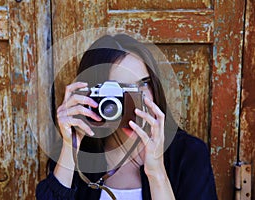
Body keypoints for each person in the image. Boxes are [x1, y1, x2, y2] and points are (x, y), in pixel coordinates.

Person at [36, 34, 217, 200]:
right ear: (94, 95)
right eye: (121, 90)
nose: (136, 99)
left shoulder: (187, 153)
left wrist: (157, 173)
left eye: (143, 84)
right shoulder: (78, 153)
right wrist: (70, 148)